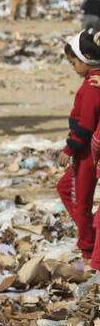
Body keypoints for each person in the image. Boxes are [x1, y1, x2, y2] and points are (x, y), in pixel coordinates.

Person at [57, 30, 100, 268]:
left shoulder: (94, 86)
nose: (73, 67)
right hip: (85, 151)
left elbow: (86, 124)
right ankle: (90, 236)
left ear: (86, 57)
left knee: (80, 201)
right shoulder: (93, 81)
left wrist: (69, 149)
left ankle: (88, 246)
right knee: (65, 189)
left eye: (74, 62)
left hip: (85, 153)